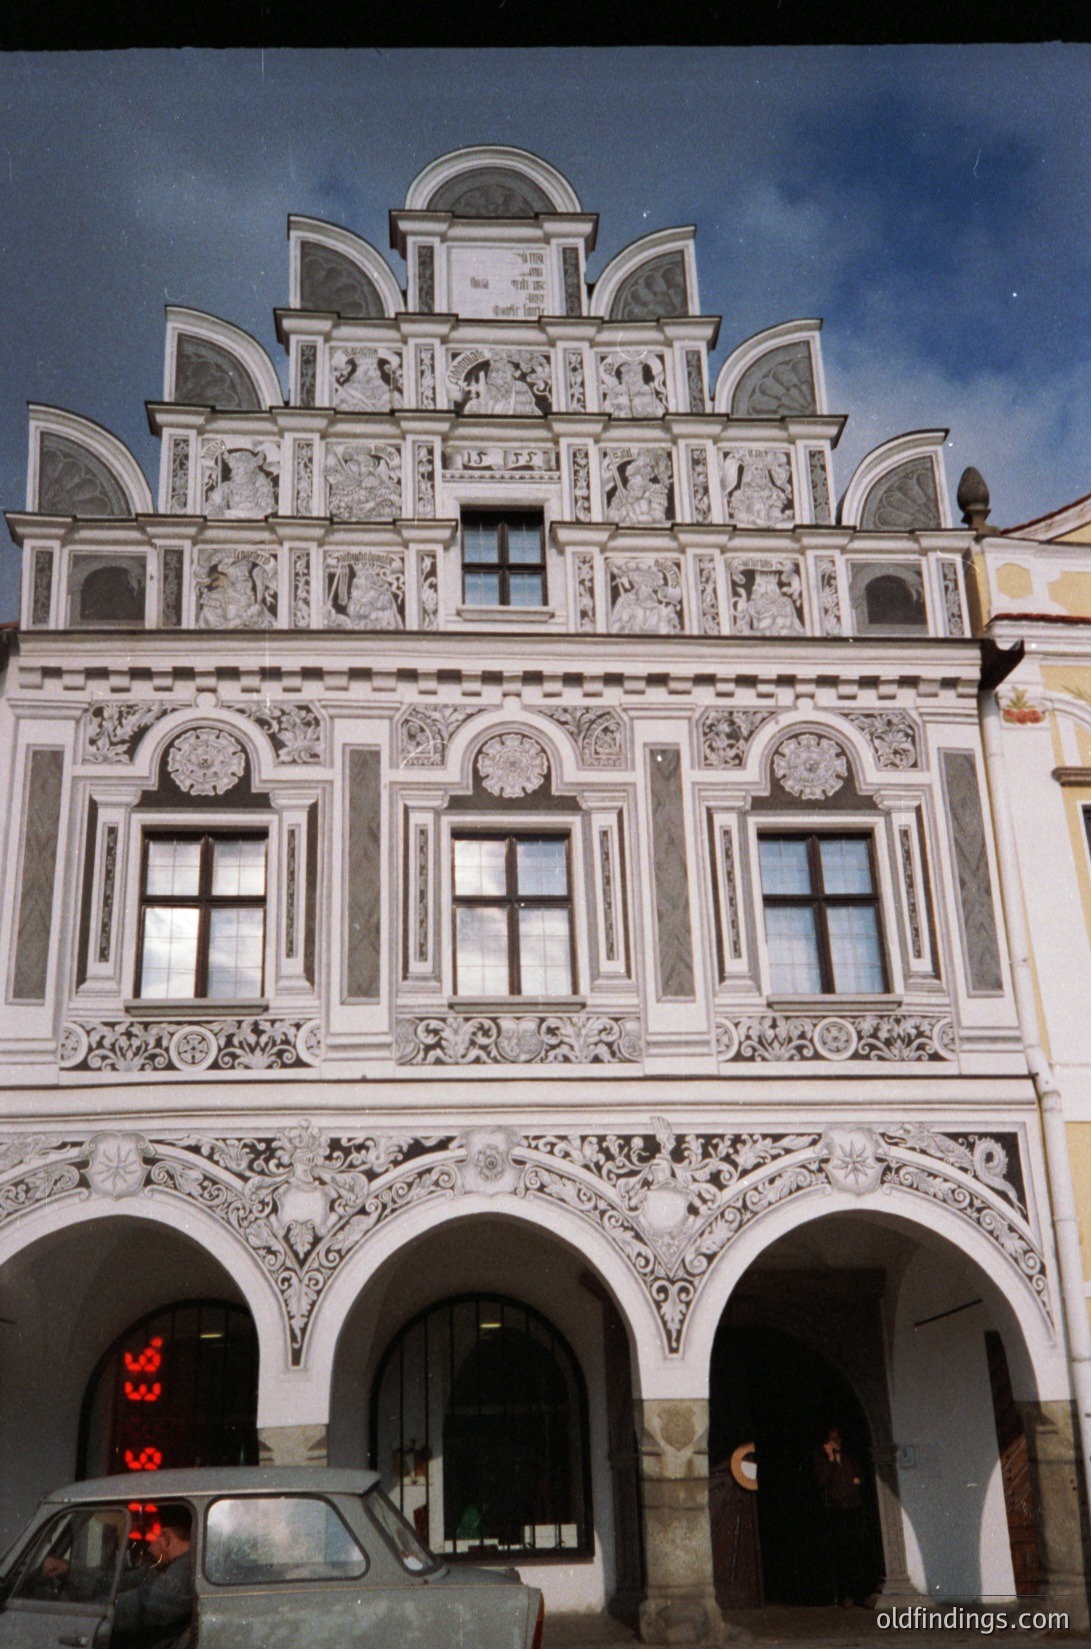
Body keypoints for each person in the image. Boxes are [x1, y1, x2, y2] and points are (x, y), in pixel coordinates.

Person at [812, 1426, 868, 1608]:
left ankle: (861, 1594)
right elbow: (823, 1481)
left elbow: (859, 1479)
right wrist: (830, 1459)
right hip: (836, 1511)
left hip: (853, 1509)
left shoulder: (849, 1460)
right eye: (833, 1439)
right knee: (841, 1553)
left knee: (857, 1552)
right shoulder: (823, 1461)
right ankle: (846, 1595)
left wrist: (851, 1486)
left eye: (838, 1438)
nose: (837, 1442)